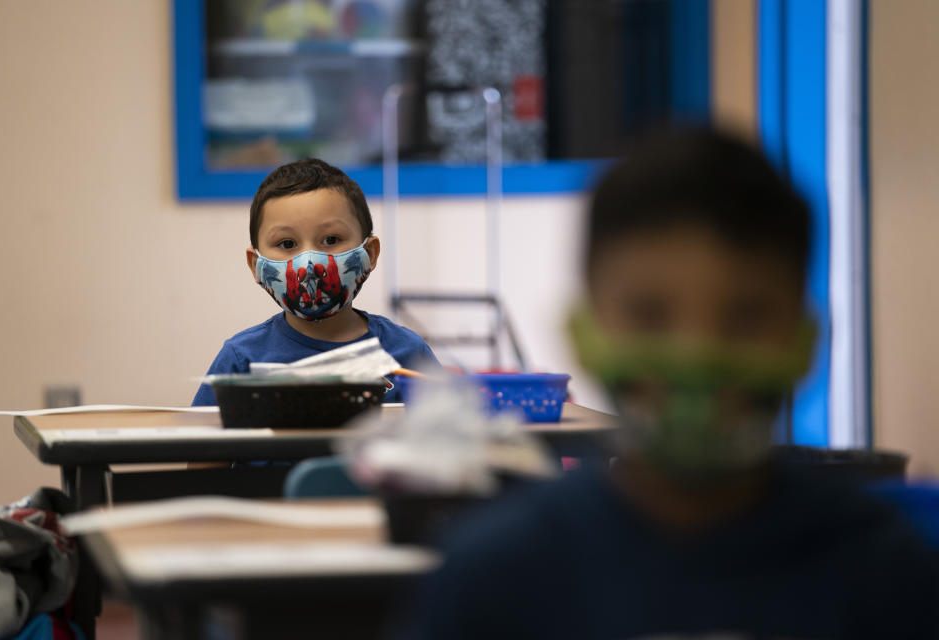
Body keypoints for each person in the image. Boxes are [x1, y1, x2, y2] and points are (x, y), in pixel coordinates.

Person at [395, 128, 939, 639]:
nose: (696, 357)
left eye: (746, 317)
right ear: (583, 333)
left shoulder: (884, 572)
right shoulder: (494, 577)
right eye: (650, 315)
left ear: (805, 342)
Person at [192, 159, 438, 405]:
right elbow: (199, 441)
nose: (308, 264)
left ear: (370, 253)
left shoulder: (407, 352)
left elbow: (454, 432)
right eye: (287, 244)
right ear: (256, 264)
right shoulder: (242, 360)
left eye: (331, 239)